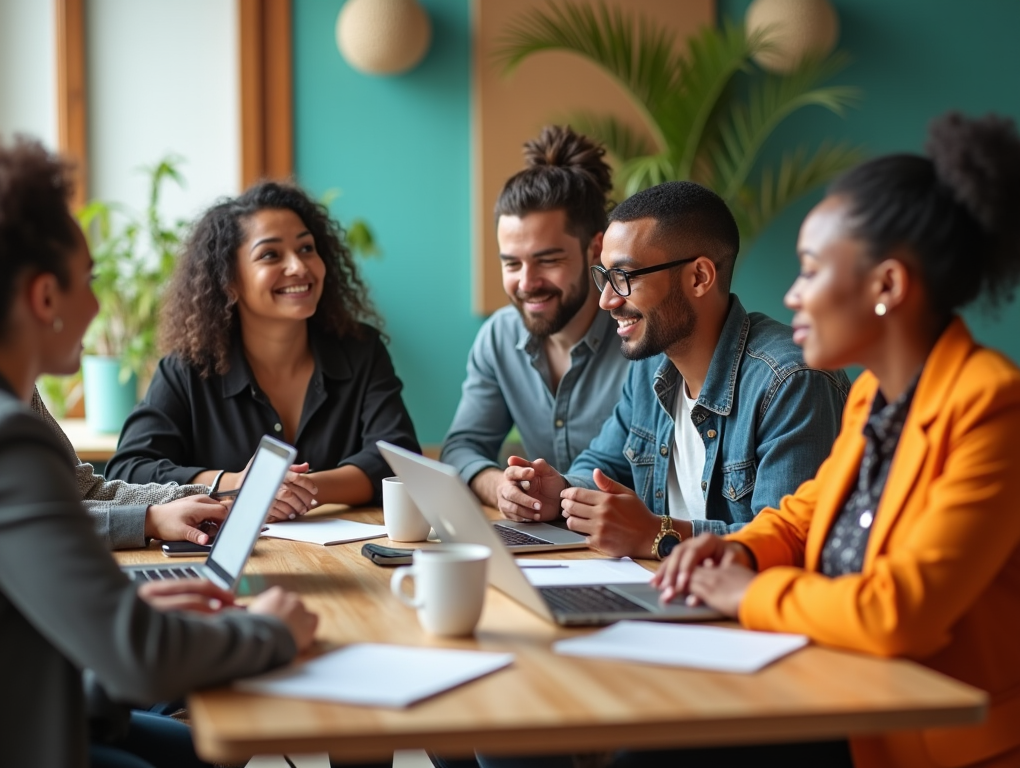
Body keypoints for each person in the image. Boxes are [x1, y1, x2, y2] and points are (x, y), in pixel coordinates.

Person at [654, 112, 1020, 767]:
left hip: (938, 742)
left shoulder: (992, 408)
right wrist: (736, 552)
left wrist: (747, 594)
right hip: (843, 699)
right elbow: (803, 518)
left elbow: (899, 613)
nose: (791, 294)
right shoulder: (872, 399)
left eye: (812, 270)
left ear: (887, 286)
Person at [0, 137, 317, 766]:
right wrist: (269, 629)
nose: (95, 305)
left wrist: (122, 610)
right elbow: (138, 659)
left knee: (204, 746)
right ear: (44, 298)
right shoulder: (9, 441)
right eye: (86, 282)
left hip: (43, 700)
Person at [496, 181, 849, 560]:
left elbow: (790, 544)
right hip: (668, 593)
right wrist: (559, 492)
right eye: (605, 277)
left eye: (625, 278)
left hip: (751, 614)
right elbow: (603, 464)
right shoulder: (650, 367)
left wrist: (658, 534)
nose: (606, 300)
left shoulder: (791, 382)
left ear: (699, 277)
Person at [105, 181, 420, 508]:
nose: (299, 267)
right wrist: (237, 484)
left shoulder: (361, 350)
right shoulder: (188, 367)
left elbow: (400, 460)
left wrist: (298, 489)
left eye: (306, 248)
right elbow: (129, 471)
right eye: (270, 254)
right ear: (228, 281)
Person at [441, 126, 629, 506]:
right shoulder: (498, 337)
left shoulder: (640, 337)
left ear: (595, 249)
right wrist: (500, 488)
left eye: (548, 260)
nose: (527, 283)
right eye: (511, 264)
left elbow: (636, 472)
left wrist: (555, 493)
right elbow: (461, 447)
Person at [30, 387, 230, 547]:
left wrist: (209, 499)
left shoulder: (26, 389)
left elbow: (86, 492)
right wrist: (149, 520)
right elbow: (24, 518)